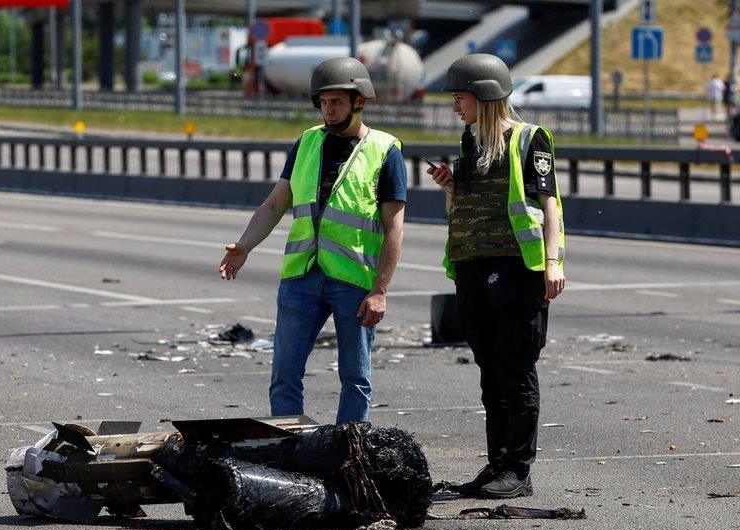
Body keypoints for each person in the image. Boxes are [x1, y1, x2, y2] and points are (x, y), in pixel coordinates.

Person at [219, 57, 407, 424]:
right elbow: (275, 204)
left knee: (355, 378)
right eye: (323, 101)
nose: (328, 109)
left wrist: (380, 290)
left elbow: (394, 228)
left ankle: (347, 453)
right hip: (301, 277)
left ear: (359, 102)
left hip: (353, 281)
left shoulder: (385, 151)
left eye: (336, 101)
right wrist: (244, 246)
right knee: (284, 376)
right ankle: (290, 453)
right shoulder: (306, 142)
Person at [428, 53, 566, 499]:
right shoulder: (470, 144)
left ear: (484, 96)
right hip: (471, 268)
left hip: (517, 270)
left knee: (515, 368)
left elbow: (549, 207)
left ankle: (518, 470)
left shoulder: (529, 140)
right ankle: (496, 465)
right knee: (490, 372)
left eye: (460, 97)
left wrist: (554, 261)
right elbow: (460, 209)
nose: (455, 106)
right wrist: (451, 188)